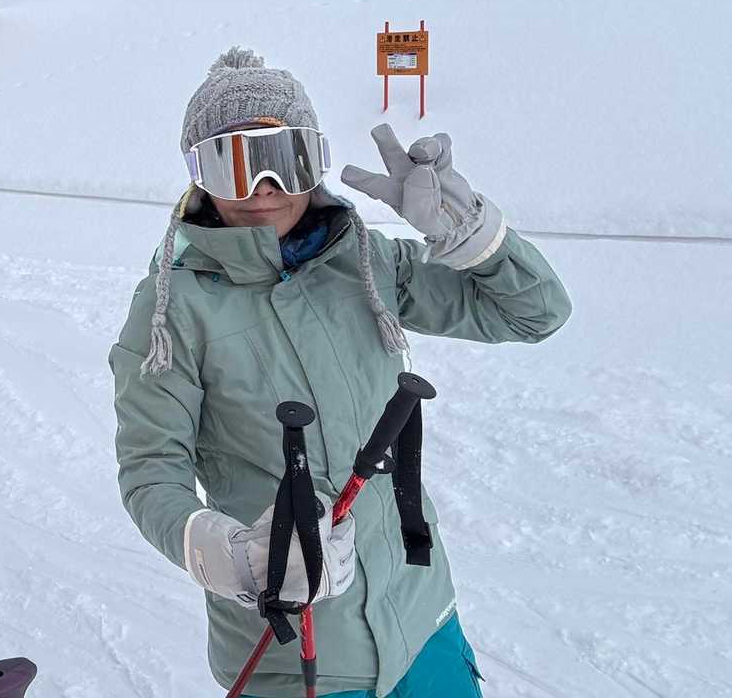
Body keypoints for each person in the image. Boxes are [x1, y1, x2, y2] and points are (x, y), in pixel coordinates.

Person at [110, 48, 573, 697]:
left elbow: (533, 313)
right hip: (296, 651)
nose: (264, 187)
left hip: (420, 613)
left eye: (284, 159)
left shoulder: (366, 263)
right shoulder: (172, 311)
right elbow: (151, 470)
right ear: (200, 177)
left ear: (314, 163)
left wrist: (469, 234)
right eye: (234, 164)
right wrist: (231, 555)